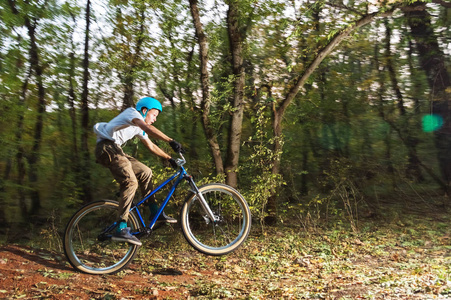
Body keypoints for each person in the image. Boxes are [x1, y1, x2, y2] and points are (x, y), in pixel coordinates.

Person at [93, 97, 183, 246]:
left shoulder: (138, 126)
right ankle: (121, 227)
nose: (154, 119)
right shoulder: (132, 113)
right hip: (106, 148)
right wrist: (170, 140)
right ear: (144, 111)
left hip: (116, 149)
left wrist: (169, 158)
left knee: (146, 171)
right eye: (154, 115)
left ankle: (154, 211)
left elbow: (151, 145)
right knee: (131, 182)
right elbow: (148, 128)